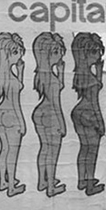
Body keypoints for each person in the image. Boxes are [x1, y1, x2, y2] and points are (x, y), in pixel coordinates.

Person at [32, 32, 67, 197]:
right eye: (56, 52)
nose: (60, 55)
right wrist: (62, 124)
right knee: (53, 152)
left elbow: (58, 88)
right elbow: (56, 103)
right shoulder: (51, 79)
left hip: (39, 112)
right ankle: (51, 186)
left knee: (45, 148)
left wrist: (61, 72)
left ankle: (42, 181)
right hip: (50, 114)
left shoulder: (42, 74)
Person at [0, 32, 27, 197]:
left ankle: (2, 181)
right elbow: (16, 103)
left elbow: (16, 89)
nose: (19, 55)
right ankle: (12, 186)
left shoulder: (2, 74)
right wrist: (22, 123)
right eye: (16, 52)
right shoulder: (11, 80)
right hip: (11, 115)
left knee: (4, 149)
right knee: (12, 152)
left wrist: (20, 71)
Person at [71, 33, 105, 196]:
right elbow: (94, 103)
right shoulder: (90, 78)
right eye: (95, 52)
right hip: (88, 113)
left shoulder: (81, 73)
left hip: (78, 112)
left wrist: (99, 72)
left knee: (84, 148)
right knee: (92, 151)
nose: (98, 55)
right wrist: (100, 123)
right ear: (85, 53)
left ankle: (82, 180)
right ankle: (90, 185)